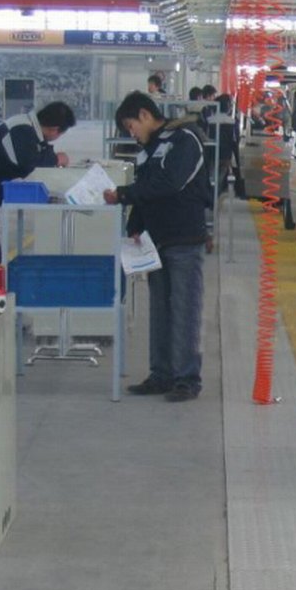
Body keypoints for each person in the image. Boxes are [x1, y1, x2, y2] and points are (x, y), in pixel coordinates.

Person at [103, 92, 212, 402]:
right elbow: (146, 189)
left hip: (184, 239)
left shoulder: (185, 140)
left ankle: (187, 379)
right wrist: (135, 225)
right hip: (156, 239)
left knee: (184, 310)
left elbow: (170, 183)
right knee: (160, 310)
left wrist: (124, 194)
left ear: (145, 115)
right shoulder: (148, 150)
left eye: (131, 126)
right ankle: (161, 374)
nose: (132, 133)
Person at [0, 101, 75, 271]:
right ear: (55, 129)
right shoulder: (22, 129)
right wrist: (57, 159)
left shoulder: (28, 127)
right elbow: (27, 162)